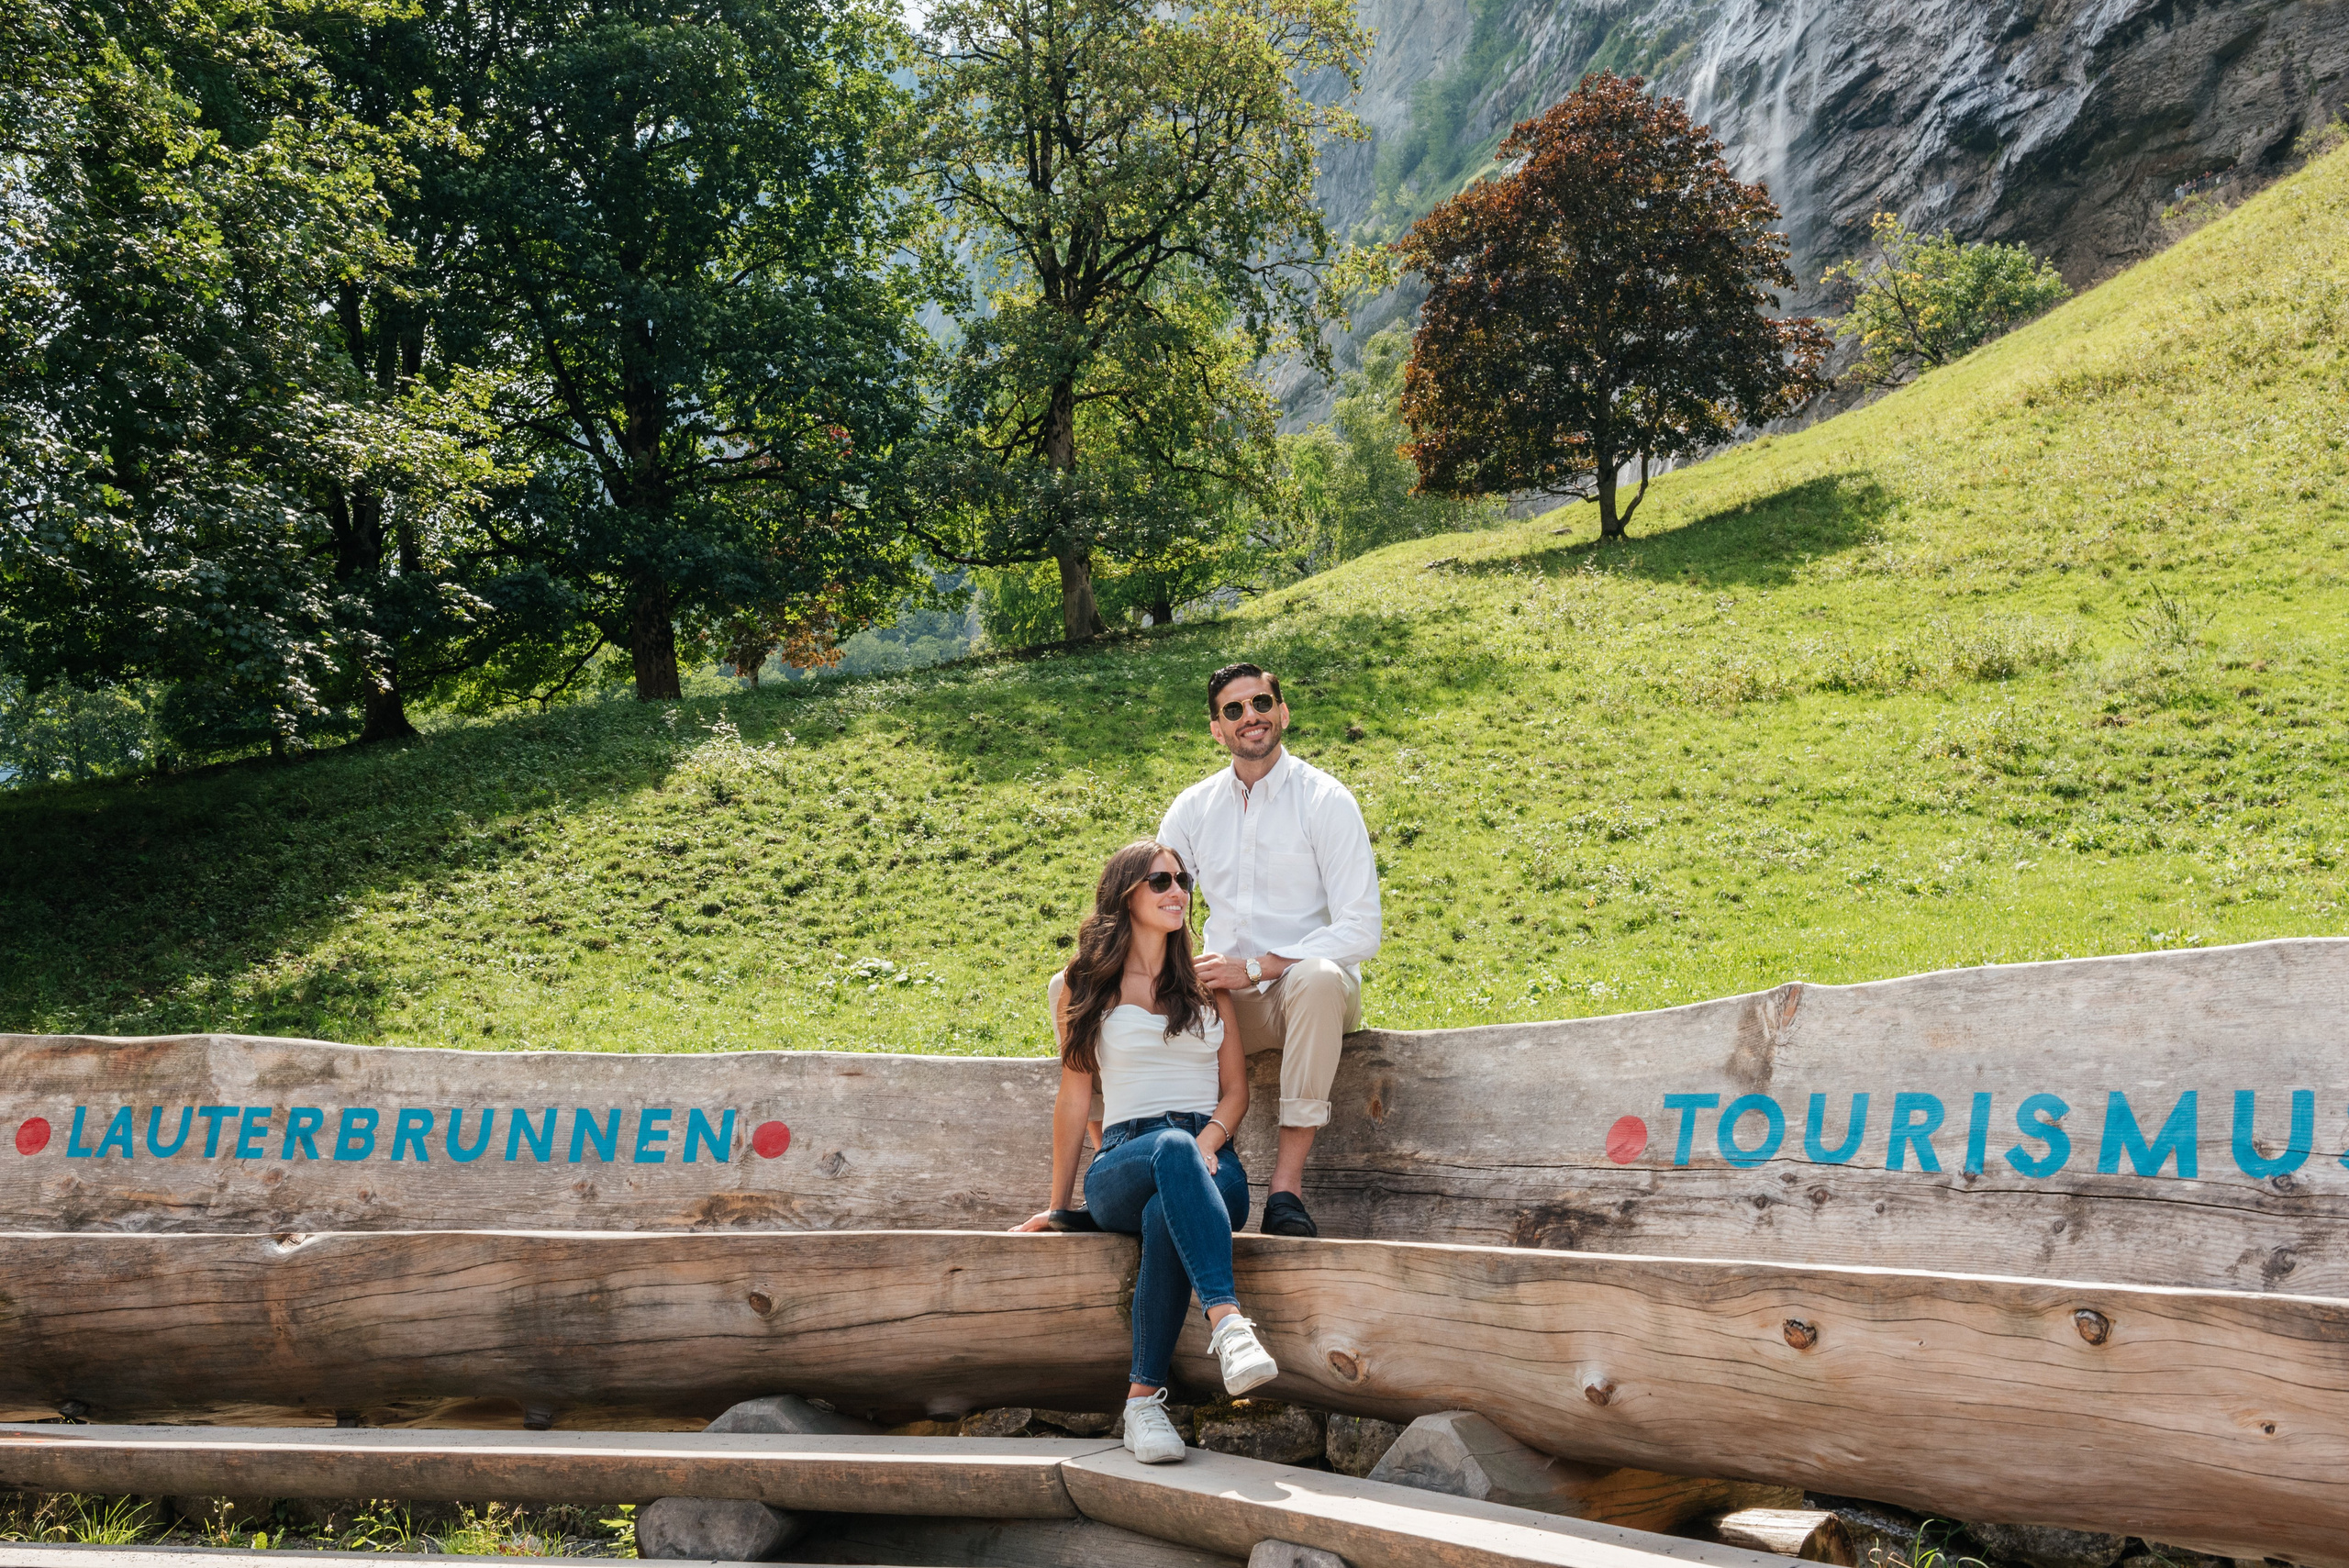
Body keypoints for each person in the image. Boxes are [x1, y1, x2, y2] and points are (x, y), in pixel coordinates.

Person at [1015, 840, 1283, 1466]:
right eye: (1161, 881)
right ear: (1125, 894)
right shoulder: (1084, 985)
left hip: (1212, 1162)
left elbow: (1236, 1092)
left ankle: (1141, 1405)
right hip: (1123, 1160)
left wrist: (1206, 1143)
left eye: (1183, 880)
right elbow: (1075, 1099)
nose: (1177, 892)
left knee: (1169, 1206)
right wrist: (1059, 1208)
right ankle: (1228, 1324)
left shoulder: (1208, 985)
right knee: (1168, 1152)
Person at [1156, 662, 1380, 1239]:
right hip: (1224, 1001)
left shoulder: (1325, 800)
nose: (1249, 716)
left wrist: (1259, 966)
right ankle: (1129, 1176)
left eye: (1260, 703)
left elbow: (1362, 929)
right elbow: (1155, 905)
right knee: (1101, 999)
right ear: (1217, 729)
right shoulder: (1192, 809)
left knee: (1319, 977)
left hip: (1304, 996)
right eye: (1233, 709)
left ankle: (1285, 1191)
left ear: (1282, 712)